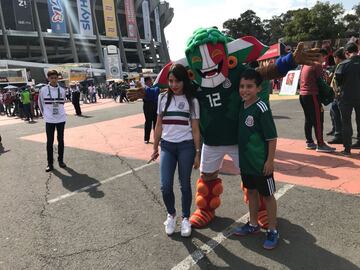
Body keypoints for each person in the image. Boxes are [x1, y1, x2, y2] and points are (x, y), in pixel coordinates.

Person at [151, 64, 201, 237]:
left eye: (177, 81)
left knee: (184, 184)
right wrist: (155, 146)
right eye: (171, 81)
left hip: (186, 146)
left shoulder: (192, 101)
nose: (173, 84)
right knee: (165, 186)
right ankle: (171, 214)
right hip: (167, 146)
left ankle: (186, 218)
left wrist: (197, 152)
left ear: (184, 81)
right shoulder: (162, 98)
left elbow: (195, 129)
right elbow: (158, 125)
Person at [233, 69, 279, 249]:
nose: (244, 90)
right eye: (242, 86)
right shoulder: (241, 106)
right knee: (251, 192)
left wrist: (270, 161)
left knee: (267, 196)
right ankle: (252, 224)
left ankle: (273, 230)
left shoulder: (262, 107)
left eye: (249, 86)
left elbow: (272, 137)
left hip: (261, 164)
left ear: (259, 88)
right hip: (246, 163)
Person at [299, 49, 335, 152]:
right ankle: (321, 144)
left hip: (303, 95)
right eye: (323, 57)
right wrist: (331, 92)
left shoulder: (305, 65)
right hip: (312, 95)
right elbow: (321, 83)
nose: (324, 59)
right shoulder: (317, 65)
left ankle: (309, 141)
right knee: (318, 120)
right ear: (318, 56)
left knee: (308, 119)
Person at [39, 70, 67, 172]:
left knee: (61, 140)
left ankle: (61, 160)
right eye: (52, 78)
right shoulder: (43, 90)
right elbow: (40, 103)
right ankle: (50, 163)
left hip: (61, 119)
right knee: (49, 142)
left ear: (58, 78)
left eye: (55, 78)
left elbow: (62, 103)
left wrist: (59, 113)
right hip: (49, 120)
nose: (54, 80)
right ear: (48, 78)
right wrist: (45, 115)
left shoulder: (62, 90)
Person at [335, 42, 360, 155]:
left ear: (346, 53)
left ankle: (347, 149)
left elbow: (338, 81)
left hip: (346, 96)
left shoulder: (343, 64)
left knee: (346, 123)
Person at [327, 48, 346, 144]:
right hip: (337, 93)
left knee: (336, 111)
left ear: (337, 58)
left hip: (339, 94)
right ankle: (336, 129)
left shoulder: (342, 66)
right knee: (333, 111)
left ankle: (339, 134)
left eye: (334, 57)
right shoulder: (338, 66)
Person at [143, 77, 160, 143]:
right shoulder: (144, 88)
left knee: (156, 123)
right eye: (150, 80)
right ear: (147, 81)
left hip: (155, 106)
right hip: (148, 106)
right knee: (148, 122)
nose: (152, 81)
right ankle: (146, 139)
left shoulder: (155, 87)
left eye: (151, 80)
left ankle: (157, 138)